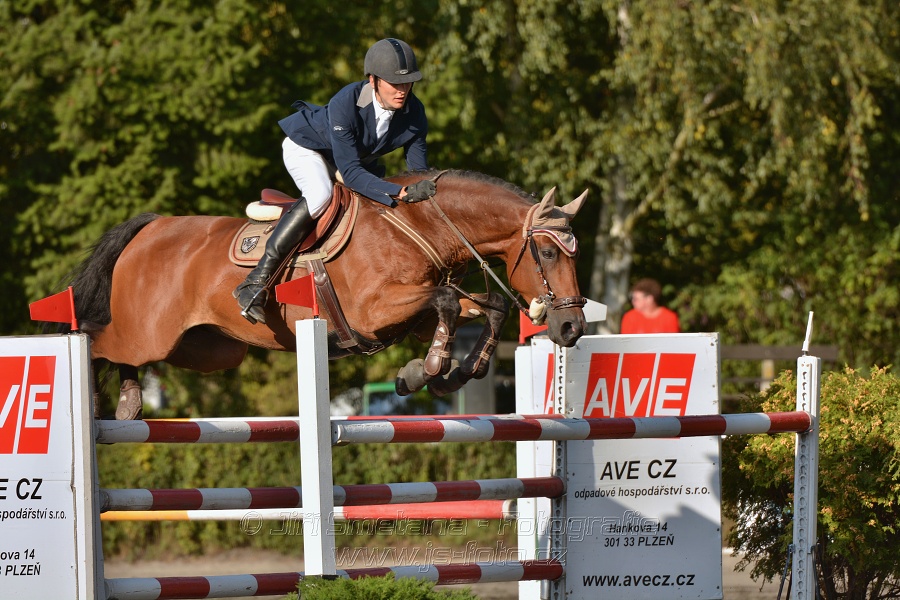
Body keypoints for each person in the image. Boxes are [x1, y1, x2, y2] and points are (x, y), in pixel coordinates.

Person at [234, 38, 437, 324]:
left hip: (349, 160)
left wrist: (427, 193)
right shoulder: (348, 102)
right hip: (308, 147)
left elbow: (419, 171)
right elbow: (352, 174)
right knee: (320, 195)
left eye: (407, 83)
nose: (402, 91)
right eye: (394, 83)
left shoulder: (414, 112)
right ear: (373, 80)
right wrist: (400, 192)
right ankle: (255, 281)